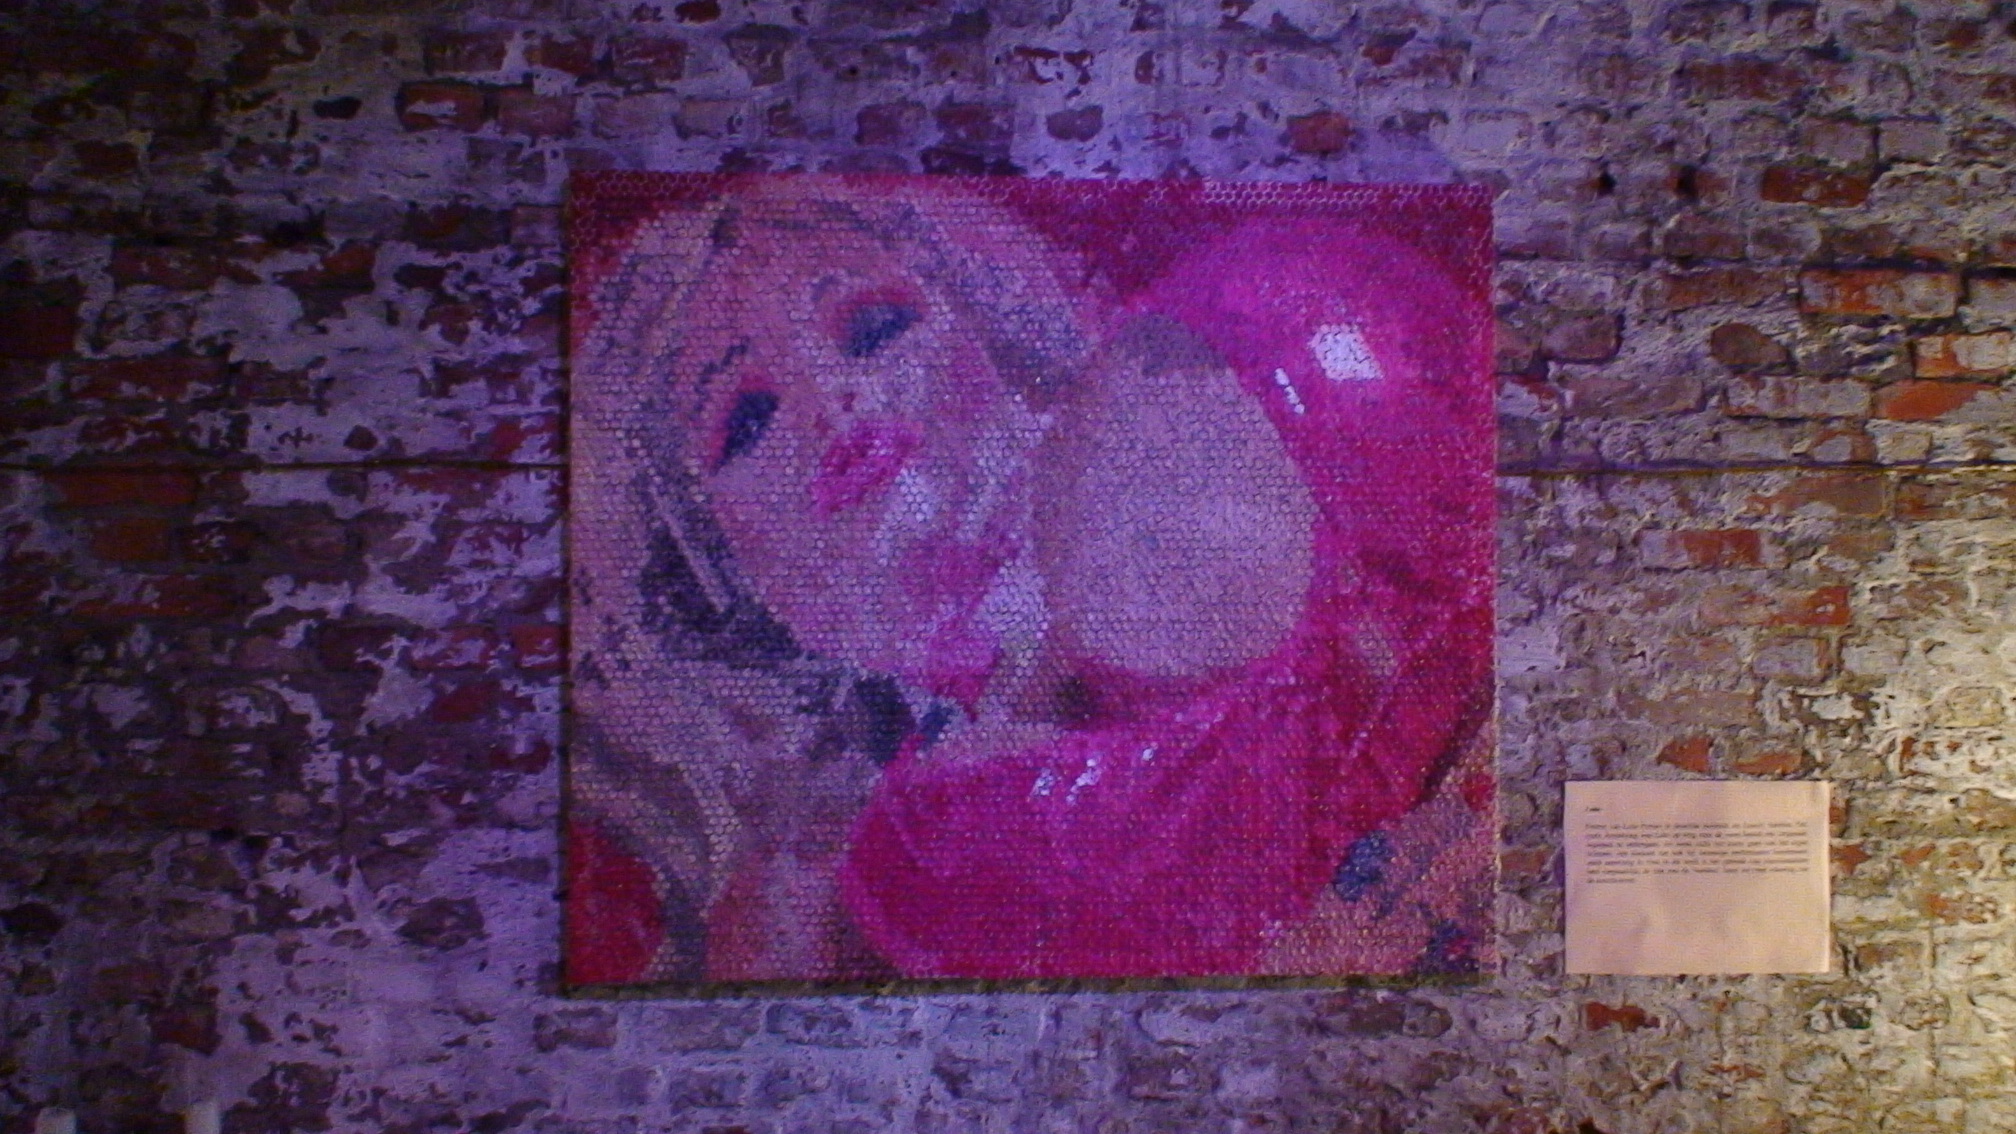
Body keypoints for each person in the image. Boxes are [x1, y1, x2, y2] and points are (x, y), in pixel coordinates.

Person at [566, 176, 1492, 984]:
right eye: (746, 420)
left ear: (990, 325)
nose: (832, 406)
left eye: (874, 329)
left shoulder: (1233, 465)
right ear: (714, 571)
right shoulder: (822, 895)